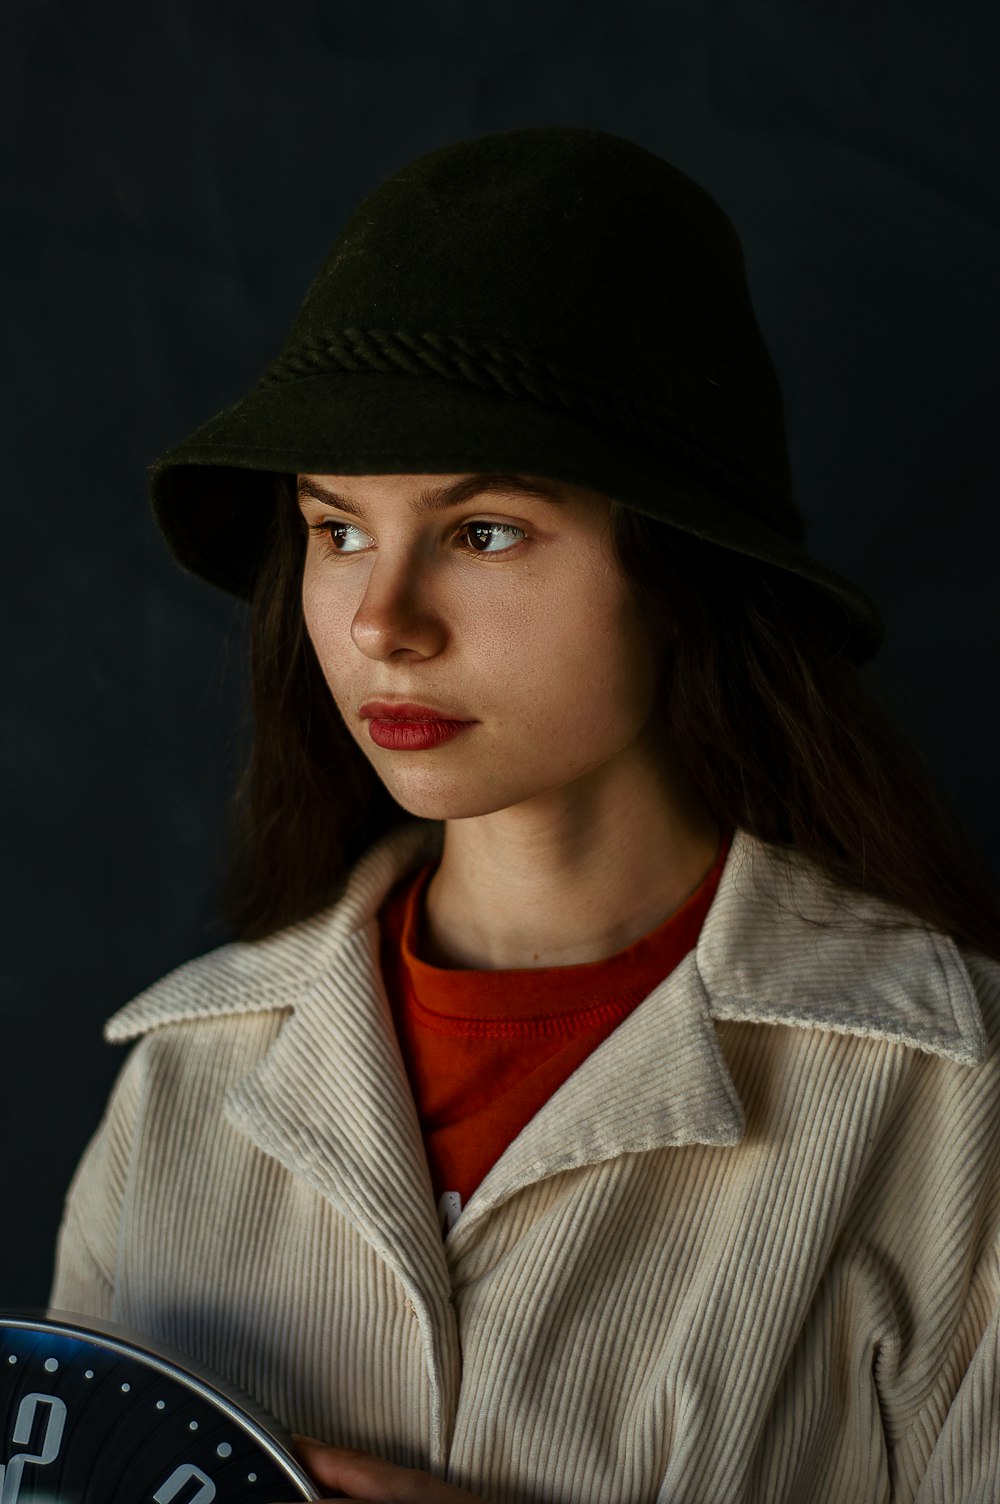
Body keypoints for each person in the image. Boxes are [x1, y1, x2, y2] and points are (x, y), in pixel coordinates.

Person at [49, 128, 1000, 1504]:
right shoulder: (185, 1085)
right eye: (337, 530)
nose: (384, 622)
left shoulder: (950, 1099)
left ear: (678, 574)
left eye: (484, 530)